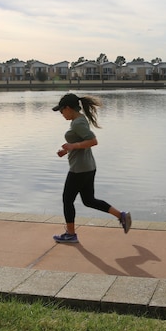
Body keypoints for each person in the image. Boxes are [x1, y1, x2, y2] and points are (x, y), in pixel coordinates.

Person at [52, 93, 131, 243]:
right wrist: (68, 150)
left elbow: (93, 141)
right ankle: (121, 215)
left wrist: (72, 146)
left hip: (79, 169)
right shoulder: (79, 120)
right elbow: (83, 142)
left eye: (61, 111)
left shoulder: (78, 123)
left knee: (67, 200)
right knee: (88, 200)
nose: (61, 114)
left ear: (68, 108)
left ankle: (70, 234)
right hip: (88, 167)